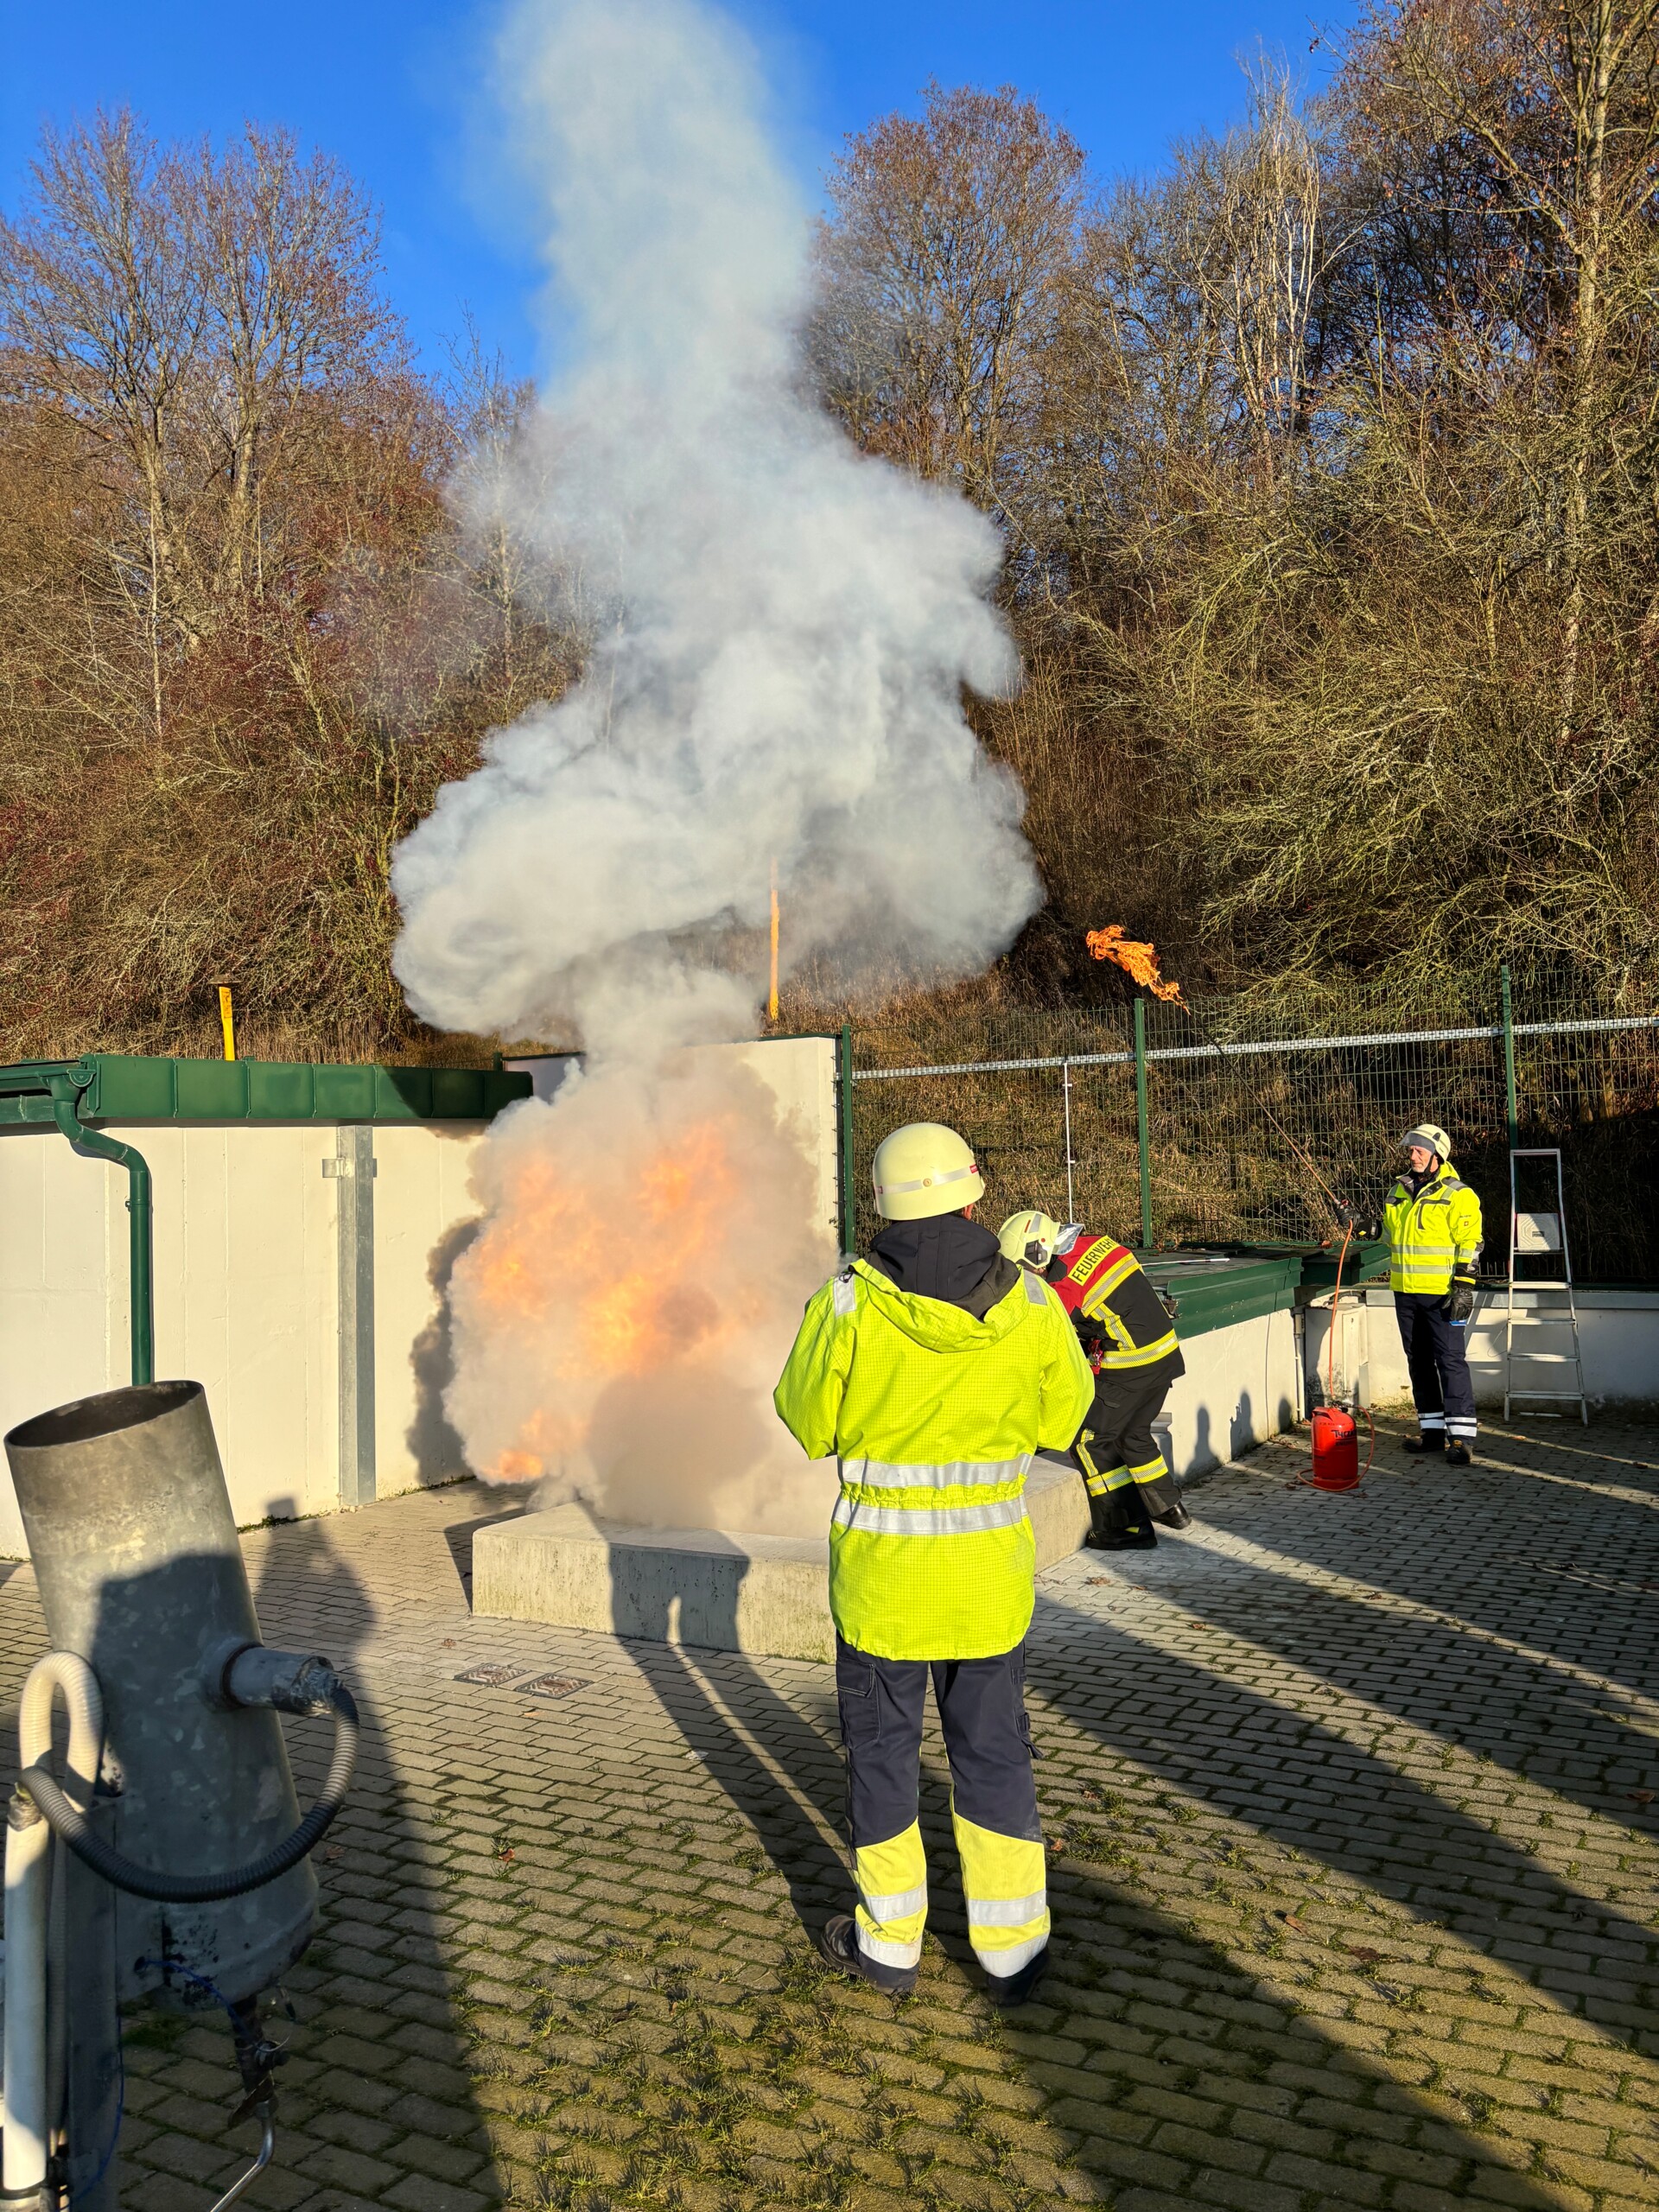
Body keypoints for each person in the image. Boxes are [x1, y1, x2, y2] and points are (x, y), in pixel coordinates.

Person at [773, 1122, 1093, 2008]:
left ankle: (888, 1947)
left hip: (882, 1590)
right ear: (974, 1190)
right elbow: (1063, 1417)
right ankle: (1012, 1954)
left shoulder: (846, 1302)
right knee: (993, 1757)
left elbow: (807, 1421)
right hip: (988, 1586)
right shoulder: (1034, 1303)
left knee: (882, 1761)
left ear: (880, 1201)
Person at [999, 1211, 1188, 1550]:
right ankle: (1169, 1507)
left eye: (1023, 1267)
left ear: (1037, 1254)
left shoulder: (1063, 1287)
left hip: (1130, 1364)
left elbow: (1052, 1341)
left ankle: (1126, 1527)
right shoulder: (1098, 1244)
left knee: (1089, 1441)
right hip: (1164, 1356)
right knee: (1132, 1433)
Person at [1382, 1122, 1484, 1465]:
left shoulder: (1459, 1194)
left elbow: (1471, 1244)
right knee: (1419, 1363)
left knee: (1450, 1362)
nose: (1412, 1155)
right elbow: (1388, 1236)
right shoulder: (1398, 1191)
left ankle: (1462, 1440)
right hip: (1405, 1294)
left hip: (1443, 1296)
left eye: (1419, 1150)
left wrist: (1464, 1288)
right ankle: (1432, 1434)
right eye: (1411, 1150)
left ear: (1437, 1155)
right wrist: (1363, 1225)